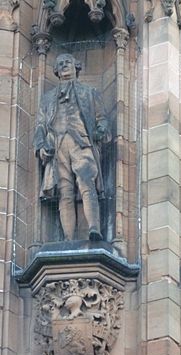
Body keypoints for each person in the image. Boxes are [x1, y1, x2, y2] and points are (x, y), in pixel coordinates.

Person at [34, 53, 110, 241]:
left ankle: (94, 228)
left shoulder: (89, 93)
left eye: (67, 61)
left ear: (76, 66)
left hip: (82, 142)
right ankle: (68, 239)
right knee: (65, 192)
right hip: (57, 145)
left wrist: (100, 131)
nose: (64, 65)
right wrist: (41, 145)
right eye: (60, 63)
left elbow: (102, 119)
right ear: (56, 71)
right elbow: (41, 125)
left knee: (86, 183)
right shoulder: (47, 99)